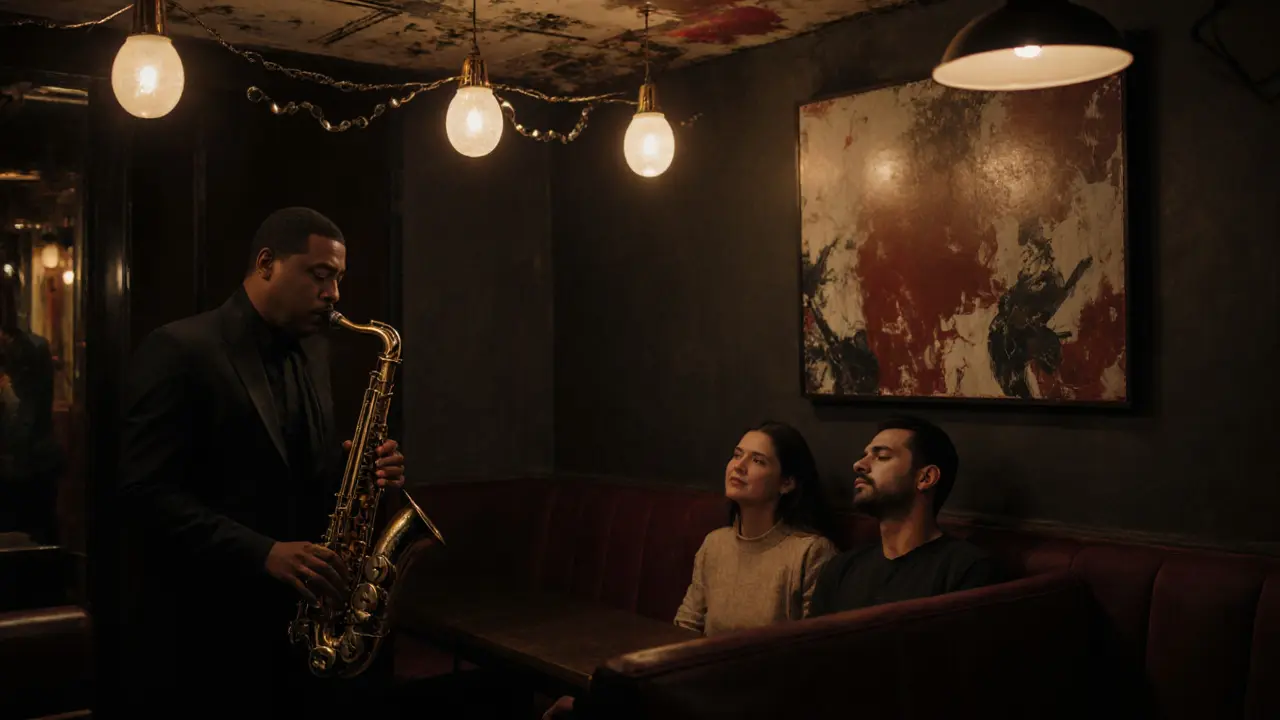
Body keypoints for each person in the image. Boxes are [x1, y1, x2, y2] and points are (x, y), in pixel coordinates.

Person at [117, 207, 405, 718]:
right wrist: (263, 552)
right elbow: (144, 494)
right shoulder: (178, 348)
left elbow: (295, 473)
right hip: (210, 635)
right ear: (267, 263)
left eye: (338, 278)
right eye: (320, 275)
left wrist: (361, 469)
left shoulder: (314, 353)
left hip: (298, 630)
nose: (334, 294)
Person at [543, 420, 839, 719]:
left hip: (761, 699)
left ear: (786, 483)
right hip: (701, 689)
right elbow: (684, 628)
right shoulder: (715, 544)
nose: (739, 466)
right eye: (737, 455)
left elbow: (811, 659)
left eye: (758, 460)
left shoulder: (811, 552)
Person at [808, 415, 1001, 617]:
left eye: (882, 456)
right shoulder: (841, 569)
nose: (859, 465)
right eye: (864, 455)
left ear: (925, 478)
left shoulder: (966, 570)